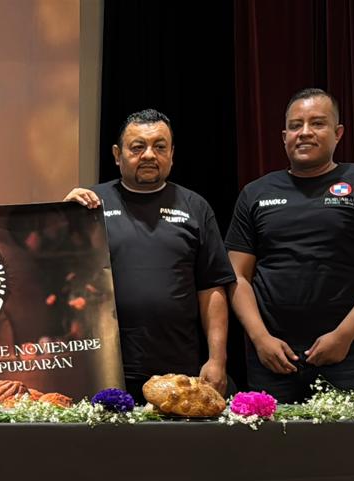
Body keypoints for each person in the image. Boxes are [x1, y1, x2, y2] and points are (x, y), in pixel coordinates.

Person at [226, 88, 354, 401]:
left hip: (344, 354)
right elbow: (236, 276)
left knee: (339, 449)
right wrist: (260, 339)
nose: (305, 132)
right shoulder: (255, 193)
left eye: (317, 123)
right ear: (284, 136)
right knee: (271, 449)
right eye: (296, 125)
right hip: (272, 356)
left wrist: (344, 335)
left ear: (338, 133)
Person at [64, 109, 234, 399]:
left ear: (172, 154)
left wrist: (217, 359)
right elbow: (57, 276)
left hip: (179, 368)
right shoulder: (90, 205)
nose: (149, 155)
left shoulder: (196, 207)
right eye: (137, 146)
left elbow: (212, 288)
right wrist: (62, 216)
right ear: (117, 155)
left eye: (159, 146)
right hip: (104, 367)